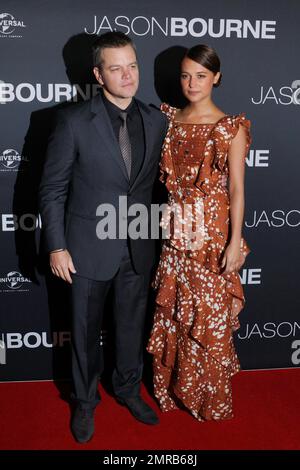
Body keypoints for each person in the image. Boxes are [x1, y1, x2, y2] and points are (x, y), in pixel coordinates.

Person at [39, 31, 167, 443]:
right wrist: (56, 245)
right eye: (116, 68)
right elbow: (52, 188)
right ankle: (84, 402)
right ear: (98, 73)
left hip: (138, 245)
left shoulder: (155, 118)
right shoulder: (73, 121)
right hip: (86, 248)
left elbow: (155, 187)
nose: (128, 75)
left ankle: (128, 389)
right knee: (83, 331)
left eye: (132, 65)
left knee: (131, 328)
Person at [147, 44, 251, 421]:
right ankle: (174, 391)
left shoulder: (230, 127)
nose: (192, 83)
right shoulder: (169, 120)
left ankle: (209, 399)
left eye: (201, 76)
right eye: (186, 75)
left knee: (208, 317)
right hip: (176, 233)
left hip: (211, 236)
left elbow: (237, 189)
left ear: (216, 78)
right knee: (176, 312)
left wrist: (235, 240)